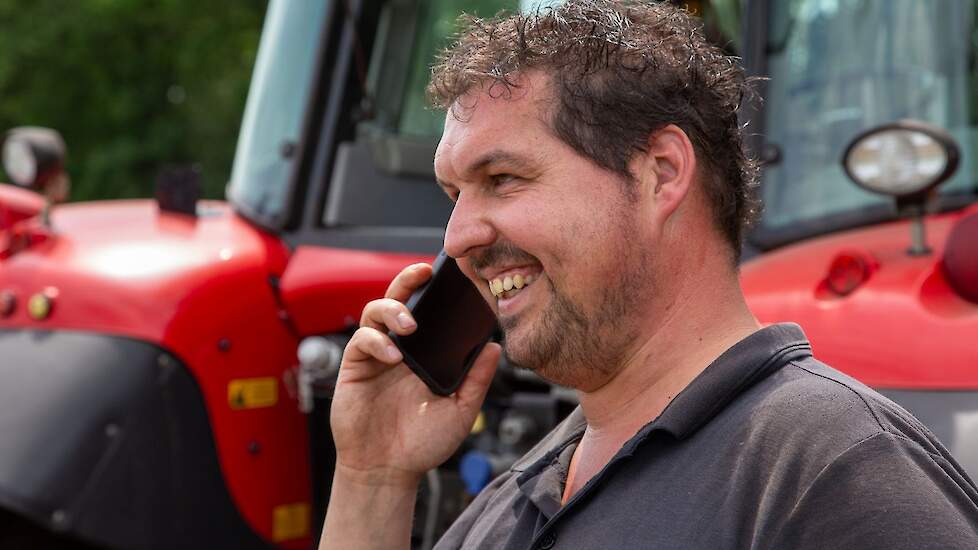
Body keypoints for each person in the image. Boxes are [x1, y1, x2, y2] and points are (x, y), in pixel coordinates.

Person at [320, 1, 978, 548]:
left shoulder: (838, 476)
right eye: (453, 195)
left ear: (660, 172)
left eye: (502, 179)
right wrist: (373, 475)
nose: (458, 238)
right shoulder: (512, 503)